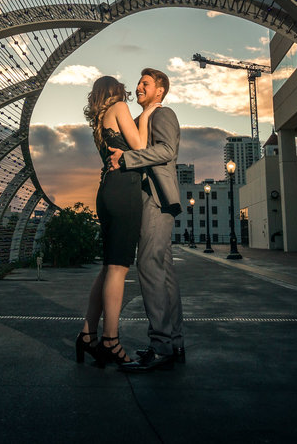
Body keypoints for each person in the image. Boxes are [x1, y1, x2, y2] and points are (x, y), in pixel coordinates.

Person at [76, 76, 159, 367]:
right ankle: (110, 340)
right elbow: (140, 148)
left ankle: (88, 334)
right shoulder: (120, 107)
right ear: (115, 92)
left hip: (107, 191)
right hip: (123, 191)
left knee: (109, 267)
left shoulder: (100, 121)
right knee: (118, 268)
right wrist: (147, 114)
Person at [107, 68, 184, 372]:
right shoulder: (144, 117)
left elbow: (167, 150)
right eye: (139, 83)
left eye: (145, 84)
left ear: (160, 91)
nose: (139, 87)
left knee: (149, 265)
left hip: (155, 197)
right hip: (152, 199)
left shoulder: (163, 114)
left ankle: (161, 345)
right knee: (163, 271)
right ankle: (173, 343)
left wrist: (125, 159)